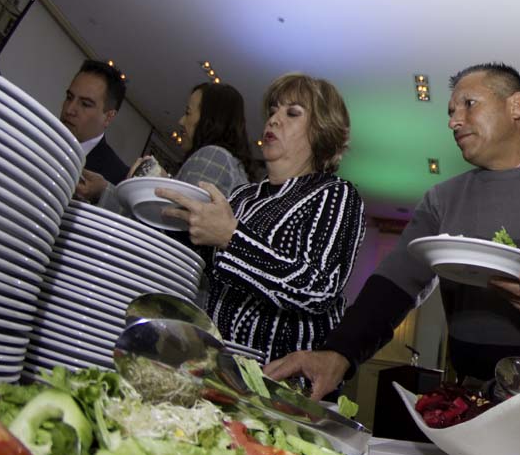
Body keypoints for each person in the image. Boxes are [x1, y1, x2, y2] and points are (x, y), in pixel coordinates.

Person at [266, 62, 520, 400]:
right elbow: (392, 287)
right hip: (472, 403)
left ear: (516, 106)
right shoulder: (442, 200)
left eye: (468, 104)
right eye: (451, 111)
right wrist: (338, 353)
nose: (453, 121)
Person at [156, 73, 366, 363]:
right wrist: (159, 203)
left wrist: (231, 239)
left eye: (292, 113)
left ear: (321, 130)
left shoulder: (335, 195)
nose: (274, 120)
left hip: (279, 380)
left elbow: (318, 289)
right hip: (216, 366)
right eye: (273, 111)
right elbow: (201, 268)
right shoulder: (243, 196)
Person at [98, 82, 256, 215]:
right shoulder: (232, 166)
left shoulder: (214, 155)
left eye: (188, 113)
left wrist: (137, 189)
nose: (181, 121)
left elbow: (174, 225)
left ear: (210, 120)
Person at [61, 59, 129, 196]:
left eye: (85, 104)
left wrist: (102, 195)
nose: (69, 110)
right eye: (69, 97)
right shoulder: (37, 140)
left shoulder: (119, 180)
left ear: (108, 117)